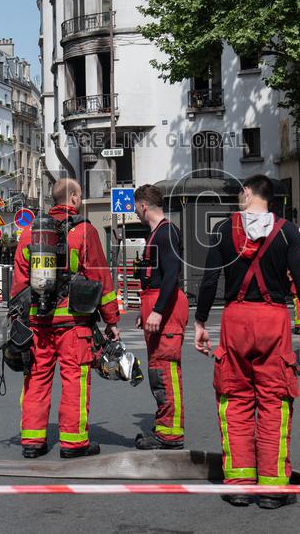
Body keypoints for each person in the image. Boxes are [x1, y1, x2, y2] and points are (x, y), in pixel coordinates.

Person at [196, 175, 300, 509]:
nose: (240, 196)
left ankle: (238, 483)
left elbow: (210, 280)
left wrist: (200, 322)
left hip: (236, 320)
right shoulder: (287, 231)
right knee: (274, 400)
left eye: (242, 191)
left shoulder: (224, 230)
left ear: (250, 192)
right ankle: (272, 487)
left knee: (234, 398)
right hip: (273, 320)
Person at [10, 178, 121, 459]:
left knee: (35, 378)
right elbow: (101, 278)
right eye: (80, 196)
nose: (80, 200)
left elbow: (19, 282)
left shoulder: (30, 234)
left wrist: (17, 320)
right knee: (74, 379)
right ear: (72, 198)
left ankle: (32, 442)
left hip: (37, 321)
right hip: (73, 322)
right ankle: (73, 443)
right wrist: (111, 320)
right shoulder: (84, 231)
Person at [132, 184, 189, 450]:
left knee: (165, 368)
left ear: (143, 205)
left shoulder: (166, 233)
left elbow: (171, 276)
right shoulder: (159, 233)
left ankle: (171, 433)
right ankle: (165, 424)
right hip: (155, 304)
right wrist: (146, 312)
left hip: (163, 307)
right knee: (158, 369)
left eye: (135, 206)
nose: (134, 211)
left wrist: (157, 310)